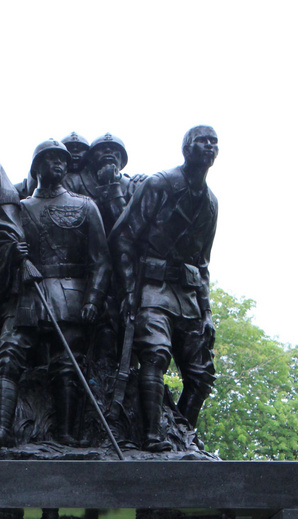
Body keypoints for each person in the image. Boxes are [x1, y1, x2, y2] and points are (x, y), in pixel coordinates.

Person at [0, 139, 111, 450]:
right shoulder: (18, 210)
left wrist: (93, 299)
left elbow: (101, 261)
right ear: (37, 165)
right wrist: (12, 255)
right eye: (51, 158)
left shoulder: (85, 206)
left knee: (67, 365)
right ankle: (2, 430)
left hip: (70, 296)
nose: (59, 164)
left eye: (63, 160)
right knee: (8, 357)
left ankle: (64, 434)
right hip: (28, 296)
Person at [110, 125, 219, 449]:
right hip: (153, 289)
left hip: (187, 296)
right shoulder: (160, 184)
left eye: (215, 142)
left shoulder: (211, 203)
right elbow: (123, 236)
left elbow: (202, 263)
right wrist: (129, 291)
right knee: (155, 356)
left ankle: (184, 437)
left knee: (201, 377)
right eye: (203, 141)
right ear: (187, 148)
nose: (210, 147)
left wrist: (207, 311)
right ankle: (152, 438)